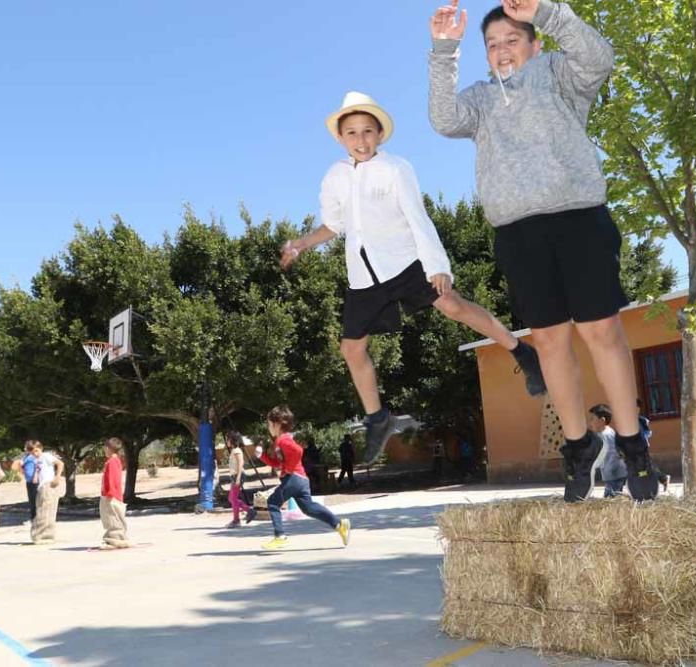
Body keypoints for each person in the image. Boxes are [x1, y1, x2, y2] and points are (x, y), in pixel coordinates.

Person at [427, 1, 657, 502]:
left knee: (601, 330)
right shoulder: (482, 101)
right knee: (549, 341)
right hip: (518, 233)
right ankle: (578, 446)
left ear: (534, 43)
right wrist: (445, 49)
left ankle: (634, 445)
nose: (502, 50)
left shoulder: (559, 74)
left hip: (578, 217)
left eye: (512, 39)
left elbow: (599, 57)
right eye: (492, 44)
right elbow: (443, 120)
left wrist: (549, 12)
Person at [280, 90, 546, 466]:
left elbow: (417, 216)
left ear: (380, 135)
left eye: (368, 131)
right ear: (341, 138)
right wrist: (302, 244)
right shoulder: (334, 176)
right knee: (351, 349)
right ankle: (378, 418)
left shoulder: (396, 168)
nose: (361, 140)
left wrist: (438, 265)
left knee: (453, 305)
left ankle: (522, 351)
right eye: (352, 133)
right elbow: (333, 225)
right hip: (364, 275)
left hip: (405, 262)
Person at [245, 406, 351, 550]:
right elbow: (277, 463)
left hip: (293, 478)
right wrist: (262, 456)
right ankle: (339, 525)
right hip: (301, 479)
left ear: (277, 424)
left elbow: (298, 451)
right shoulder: (281, 441)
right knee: (309, 508)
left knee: (272, 502)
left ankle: (280, 536)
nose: (268, 427)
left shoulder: (283, 440)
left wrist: (289, 468)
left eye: (269, 424)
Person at [587, 404, 627, 498]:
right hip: (612, 473)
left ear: (602, 421)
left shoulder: (606, 435)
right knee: (613, 496)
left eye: (593, 419)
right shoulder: (605, 433)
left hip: (614, 473)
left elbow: (613, 454)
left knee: (611, 497)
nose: (590, 422)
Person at [28, 441, 64, 545]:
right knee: (41, 510)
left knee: (48, 511)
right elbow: (39, 472)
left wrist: (57, 477)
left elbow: (60, 463)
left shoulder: (46, 456)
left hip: (49, 484)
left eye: (36, 450)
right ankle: (39, 534)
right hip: (41, 486)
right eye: (32, 452)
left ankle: (46, 536)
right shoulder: (37, 460)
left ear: (40, 449)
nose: (35, 453)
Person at [99, 437, 130, 549]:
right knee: (114, 517)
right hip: (112, 494)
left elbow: (112, 478)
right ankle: (118, 538)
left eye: (105, 447)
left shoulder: (112, 461)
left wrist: (109, 493)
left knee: (112, 518)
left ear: (109, 448)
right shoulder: (115, 460)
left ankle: (114, 540)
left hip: (111, 495)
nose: (104, 450)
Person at [225, 431, 252, 529]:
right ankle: (249, 511)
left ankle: (236, 520)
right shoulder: (233, 450)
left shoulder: (237, 450)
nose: (226, 441)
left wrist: (238, 478)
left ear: (232, 440)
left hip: (238, 475)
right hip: (234, 476)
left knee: (233, 499)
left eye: (228, 439)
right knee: (231, 498)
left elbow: (241, 464)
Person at [10, 440, 38, 525]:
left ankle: (36, 519)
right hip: (29, 481)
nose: (24, 448)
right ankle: (33, 518)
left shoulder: (34, 456)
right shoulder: (26, 456)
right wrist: (22, 471)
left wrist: (35, 476)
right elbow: (18, 466)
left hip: (35, 481)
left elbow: (38, 466)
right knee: (32, 501)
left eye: (26, 446)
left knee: (36, 500)